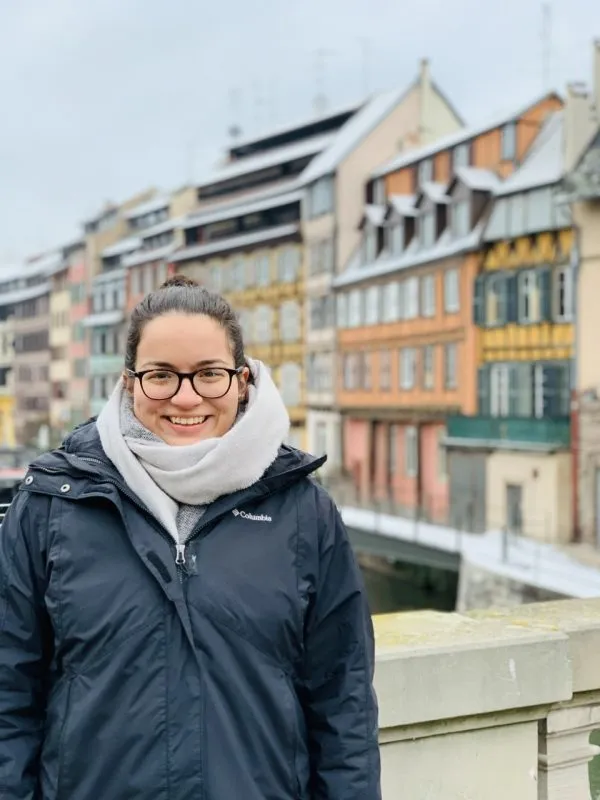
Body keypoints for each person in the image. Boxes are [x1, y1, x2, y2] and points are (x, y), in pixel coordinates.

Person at [0, 275, 381, 799]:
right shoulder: (51, 506)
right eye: (161, 375)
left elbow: (345, 707)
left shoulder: (304, 514)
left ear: (242, 381)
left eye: (209, 375)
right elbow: (8, 697)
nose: (185, 397)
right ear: (130, 382)